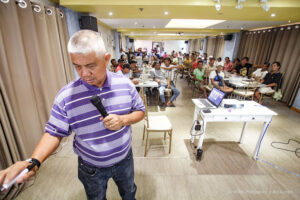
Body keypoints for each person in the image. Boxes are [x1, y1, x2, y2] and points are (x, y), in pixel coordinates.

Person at [0, 30, 145, 200]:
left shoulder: (125, 84)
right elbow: (54, 132)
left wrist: (123, 120)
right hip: (91, 167)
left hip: (124, 158)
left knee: (129, 194)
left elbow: (140, 111)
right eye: (77, 66)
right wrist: (33, 161)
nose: (84, 74)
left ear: (106, 59)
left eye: (91, 66)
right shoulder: (65, 97)